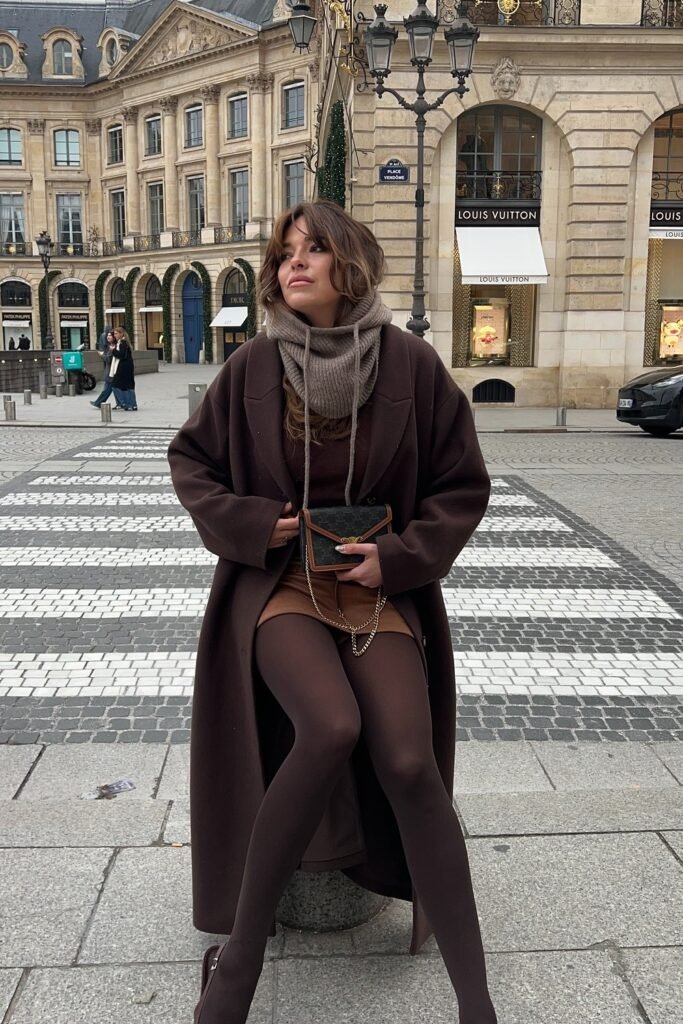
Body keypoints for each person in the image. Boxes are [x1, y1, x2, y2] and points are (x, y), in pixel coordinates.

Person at [168, 200, 497, 1024]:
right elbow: (191, 460)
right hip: (280, 589)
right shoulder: (250, 367)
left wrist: (400, 555)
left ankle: (475, 1002)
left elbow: (462, 485)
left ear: (349, 262)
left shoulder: (411, 365)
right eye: (284, 253)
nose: (294, 264)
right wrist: (251, 524)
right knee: (329, 727)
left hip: (371, 590)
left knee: (412, 764)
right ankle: (238, 962)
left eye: (313, 249)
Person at [90, 331, 120, 409]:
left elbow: (108, 359)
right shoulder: (110, 346)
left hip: (111, 371)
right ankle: (120, 403)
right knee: (114, 388)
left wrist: (102, 355)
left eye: (110, 335)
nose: (108, 337)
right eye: (107, 335)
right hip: (111, 371)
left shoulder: (112, 346)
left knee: (108, 388)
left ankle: (98, 402)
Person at [110, 326, 137, 411]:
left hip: (123, 367)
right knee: (128, 386)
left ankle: (125, 403)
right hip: (127, 366)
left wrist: (113, 350)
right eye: (114, 333)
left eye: (116, 333)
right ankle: (132, 404)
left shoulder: (122, 343)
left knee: (116, 385)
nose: (115, 335)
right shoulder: (123, 342)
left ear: (121, 334)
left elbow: (122, 355)